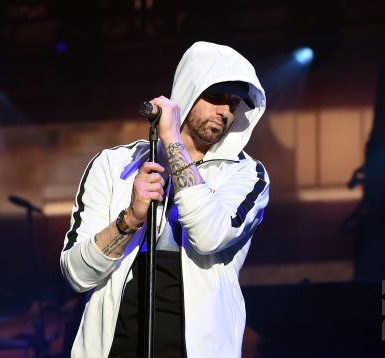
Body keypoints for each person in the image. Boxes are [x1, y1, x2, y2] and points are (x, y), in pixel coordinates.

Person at [60, 41, 270, 358]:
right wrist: (130, 218)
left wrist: (171, 138)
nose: (225, 111)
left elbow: (209, 235)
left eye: (234, 103)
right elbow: (77, 274)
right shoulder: (113, 165)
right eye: (216, 97)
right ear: (188, 89)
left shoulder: (246, 175)